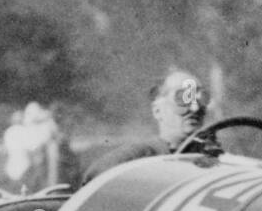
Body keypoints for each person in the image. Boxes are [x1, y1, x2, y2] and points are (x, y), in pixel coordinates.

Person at [80, 69, 214, 186]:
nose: (195, 108)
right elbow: (95, 177)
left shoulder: (212, 159)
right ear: (157, 111)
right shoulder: (141, 157)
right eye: (183, 97)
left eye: (201, 98)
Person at [2, 109, 31, 186]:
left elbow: (6, 149)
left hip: (11, 162)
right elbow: (30, 148)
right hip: (24, 162)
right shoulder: (25, 131)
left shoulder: (8, 131)